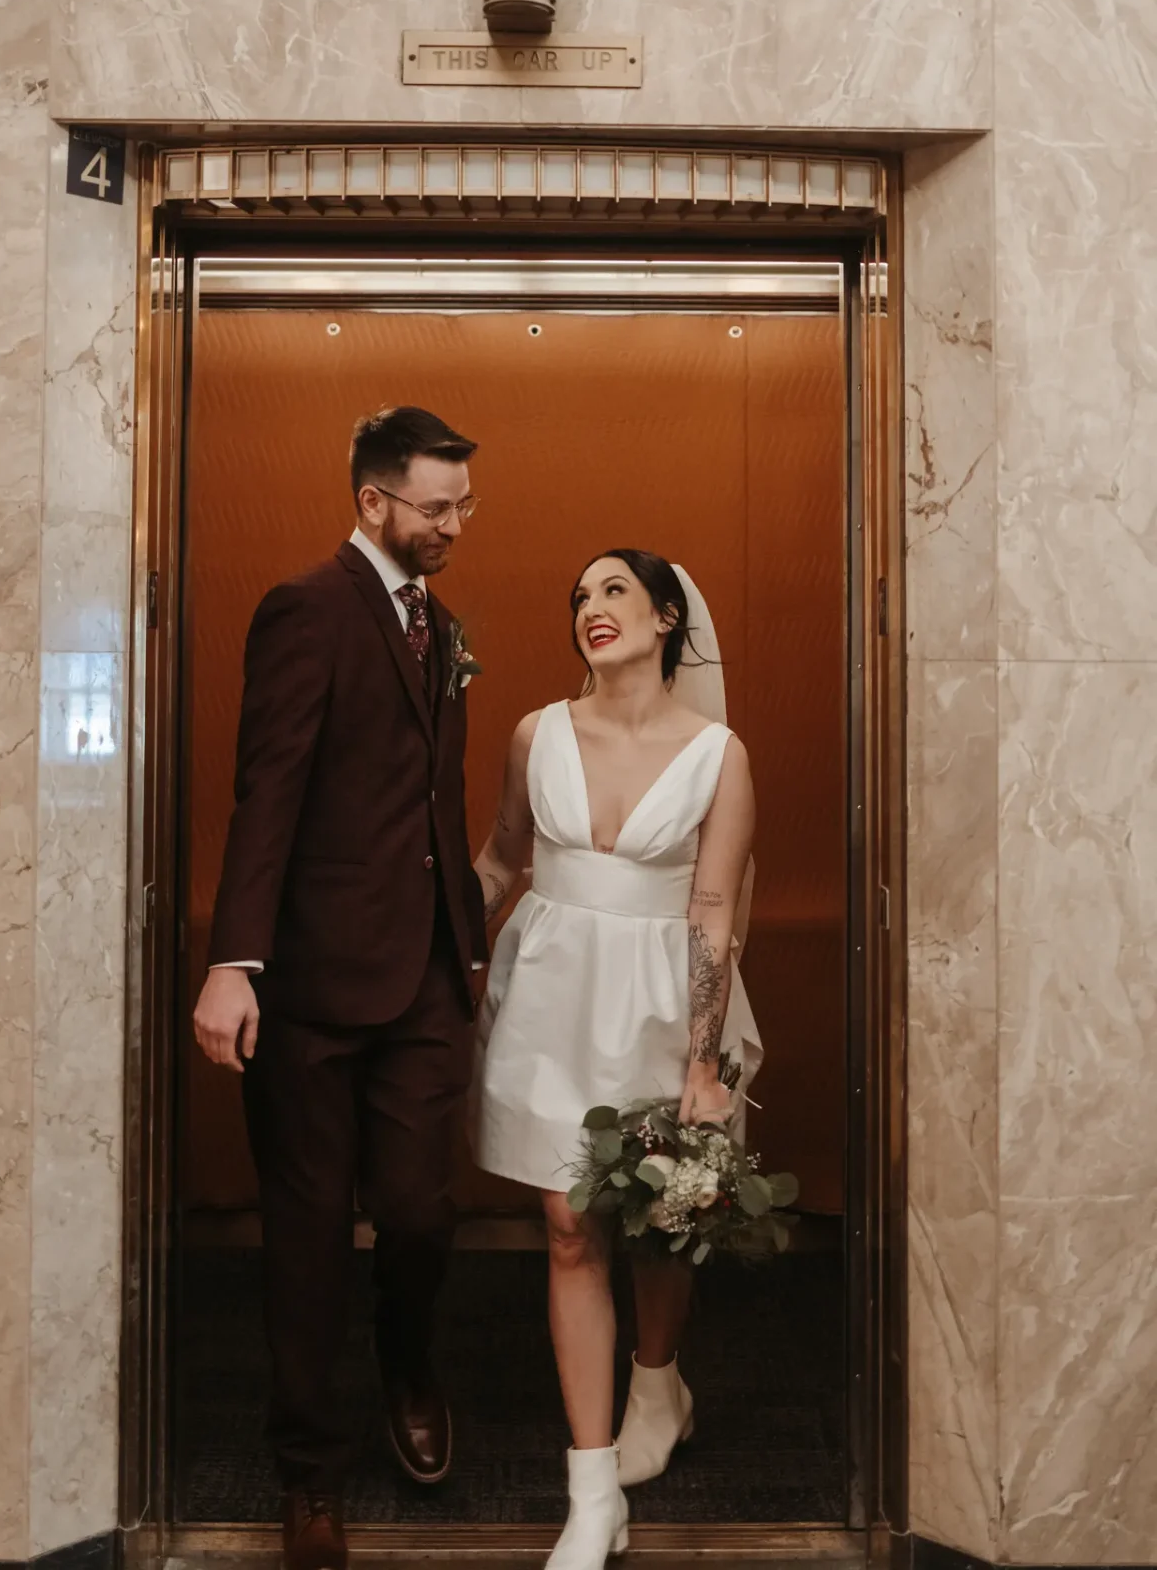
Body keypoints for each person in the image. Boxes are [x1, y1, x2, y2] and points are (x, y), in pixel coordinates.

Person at [192, 406, 487, 1570]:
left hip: (422, 978)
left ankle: (408, 1365)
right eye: (436, 506)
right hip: (308, 981)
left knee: (421, 1211)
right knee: (307, 1235)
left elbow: (429, 810)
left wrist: (464, 941)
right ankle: (308, 1474)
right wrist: (234, 960)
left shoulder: (441, 625)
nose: (456, 524)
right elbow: (266, 790)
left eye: (464, 504)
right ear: (373, 503)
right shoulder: (306, 609)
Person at [472, 550, 762, 1570]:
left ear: (666, 616)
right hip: (548, 998)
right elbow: (501, 856)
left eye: (613, 593)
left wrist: (700, 1057)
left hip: (654, 1003)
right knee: (563, 1224)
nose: (590, 610)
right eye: (579, 598)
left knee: (653, 1220)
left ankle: (657, 1378)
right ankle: (589, 1492)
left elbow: (713, 910)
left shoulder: (714, 753)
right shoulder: (533, 733)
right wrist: (409, 938)